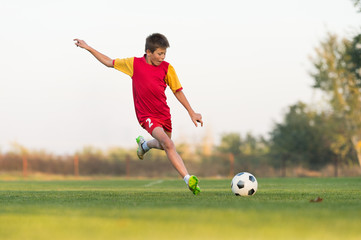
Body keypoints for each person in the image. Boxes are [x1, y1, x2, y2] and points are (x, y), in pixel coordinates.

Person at [74, 33, 203, 195]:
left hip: (164, 114)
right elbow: (109, 62)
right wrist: (88, 47)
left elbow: (177, 91)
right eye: (159, 54)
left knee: (165, 144)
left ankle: (144, 145)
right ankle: (188, 179)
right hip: (146, 115)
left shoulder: (168, 68)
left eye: (164, 54)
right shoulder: (133, 64)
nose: (162, 57)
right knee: (169, 144)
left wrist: (192, 112)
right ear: (148, 52)